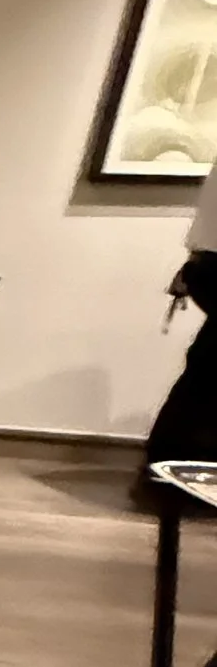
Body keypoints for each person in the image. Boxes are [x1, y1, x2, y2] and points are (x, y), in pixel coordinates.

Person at [141, 162, 217, 489]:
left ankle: (172, 463)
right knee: (208, 370)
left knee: (207, 364)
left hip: (207, 264)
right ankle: (181, 465)